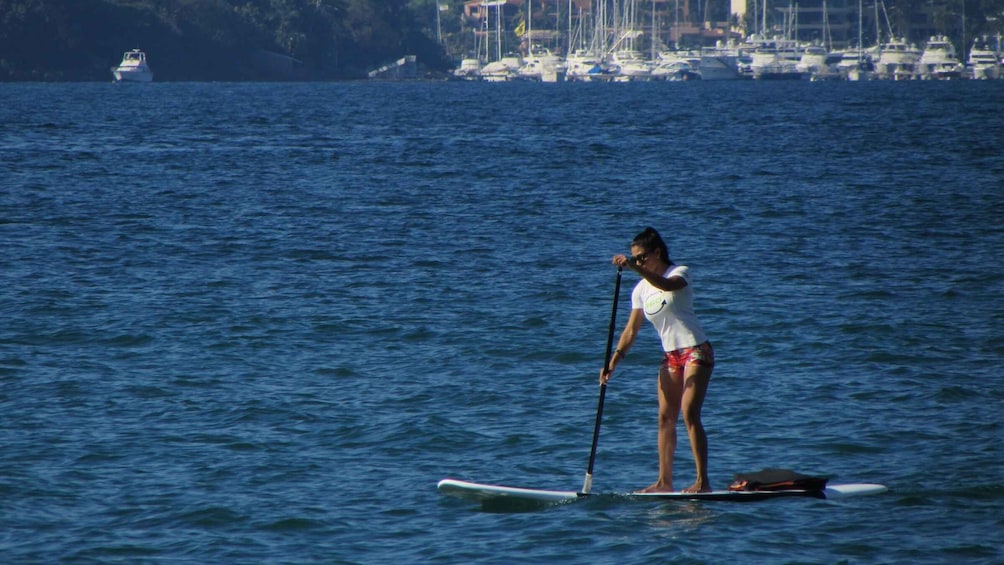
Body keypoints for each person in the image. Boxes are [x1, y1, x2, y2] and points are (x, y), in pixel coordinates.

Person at [601, 227, 715, 493]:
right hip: (671, 356)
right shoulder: (640, 290)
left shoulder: (679, 273)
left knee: (689, 413)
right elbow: (631, 331)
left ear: (658, 252)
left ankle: (703, 481)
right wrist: (612, 362)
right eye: (635, 259)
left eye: (642, 258)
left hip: (696, 349)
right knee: (665, 418)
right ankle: (664, 482)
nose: (638, 263)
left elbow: (666, 286)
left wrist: (634, 268)